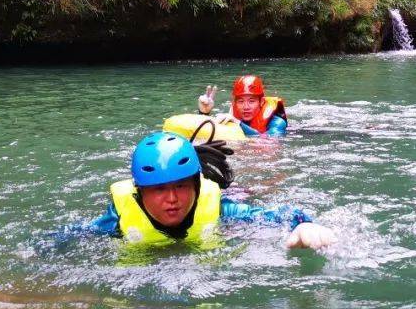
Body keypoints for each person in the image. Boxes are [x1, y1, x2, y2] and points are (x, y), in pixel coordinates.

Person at [77, 132, 335, 248]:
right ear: (140, 193)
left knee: (242, 193)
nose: (172, 199)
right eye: (159, 190)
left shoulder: (219, 208)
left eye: (181, 186)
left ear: (197, 186)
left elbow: (272, 215)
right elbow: (73, 237)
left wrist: (302, 224)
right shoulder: (119, 217)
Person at [197, 76, 288, 136]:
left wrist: (238, 123)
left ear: (261, 102)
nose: (246, 107)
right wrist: (204, 113)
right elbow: (205, 134)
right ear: (235, 103)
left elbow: (268, 142)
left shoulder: (277, 123)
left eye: (251, 101)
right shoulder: (230, 118)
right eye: (240, 101)